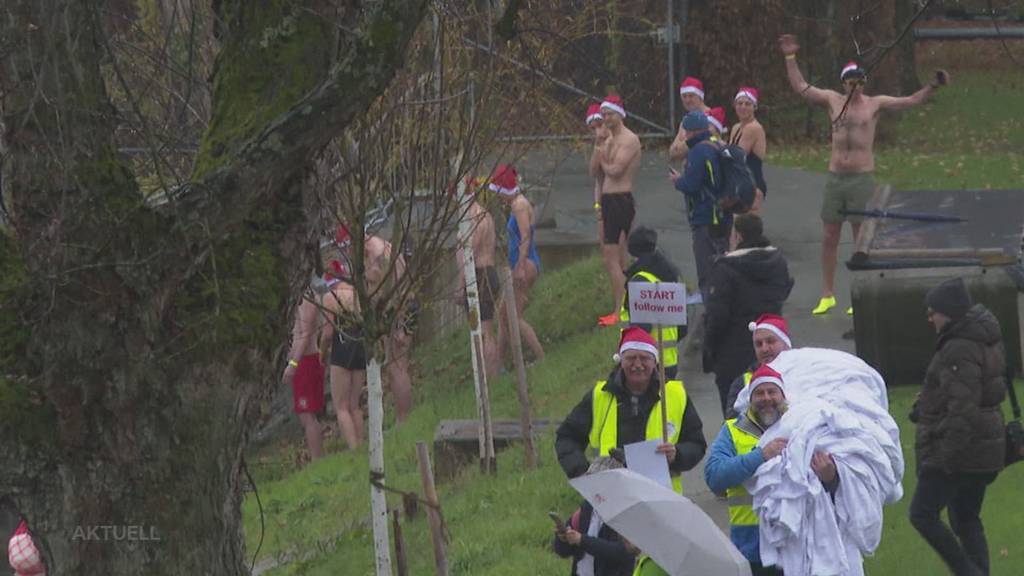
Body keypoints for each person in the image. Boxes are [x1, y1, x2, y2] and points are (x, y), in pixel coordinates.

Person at [779, 34, 950, 316]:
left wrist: (932, 85)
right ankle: (827, 293)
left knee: (861, 238)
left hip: (860, 177)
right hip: (836, 178)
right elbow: (801, 87)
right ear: (843, 82)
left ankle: (857, 292)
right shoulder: (832, 100)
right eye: (849, 81)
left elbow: (911, 101)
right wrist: (790, 57)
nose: (854, 85)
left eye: (859, 81)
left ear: (864, 82)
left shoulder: (875, 104)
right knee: (829, 234)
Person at [910, 278, 1006, 576]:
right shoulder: (982, 337)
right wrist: (923, 405)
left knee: (922, 514)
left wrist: (946, 458)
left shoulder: (958, 348)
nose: (929, 318)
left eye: (933, 312)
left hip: (962, 449)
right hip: (986, 447)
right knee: (965, 517)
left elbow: (963, 409)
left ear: (948, 313)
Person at [705, 365, 840, 576]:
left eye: (772, 391)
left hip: (798, 546)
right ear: (750, 399)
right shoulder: (732, 430)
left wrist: (830, 478)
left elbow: (831, 485)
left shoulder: (804, 427)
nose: (766, 398)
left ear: (782, 396)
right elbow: (714, 477)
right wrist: (760, 456)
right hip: (750, 550)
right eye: (759, 392)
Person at [555, 327, 706, 493]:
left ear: (655, 361)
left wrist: (677, 454)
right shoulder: (600, 395)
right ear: (621, 361)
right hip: (610, 496)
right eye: (631, 358)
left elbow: (696, 443)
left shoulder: (676, 395)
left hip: (661, 497)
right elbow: (567, 437)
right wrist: (580, 471)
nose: (638, 365)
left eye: (644, 358)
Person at [704, 213, 793, 416]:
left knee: (734, 415)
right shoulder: (777, 262)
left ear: (738, 236)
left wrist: (709, 351)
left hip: (732, 354)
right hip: (772, 348)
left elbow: (717, 316)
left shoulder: (725, 269)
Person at [336, 224, 414, 421]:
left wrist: (401, 326)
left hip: (399, 311)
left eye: (348, 248)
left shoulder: (379, 255)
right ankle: (402, 417)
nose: (348, 253)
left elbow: (399, 289)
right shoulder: (370, 252)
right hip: (392, 311)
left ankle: (404, 419)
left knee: (397, 367)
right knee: (394, 366)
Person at [670, 110, 730, 302]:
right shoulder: (717, 145)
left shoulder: (698, 152)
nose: (684, 136)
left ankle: (707, 296)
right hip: (723, 212)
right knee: (721, 255)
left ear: (694, 132)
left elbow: (692, 185)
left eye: (686, 131)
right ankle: (722, 293)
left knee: (705, 257)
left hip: (705, 215)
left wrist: (678, 181)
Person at [594, 95, 642, 327]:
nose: (606, 118)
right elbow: (593, 171)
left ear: (620, 114)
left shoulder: (629, 139)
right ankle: (622, 306)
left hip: (620, 199)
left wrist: (604, 155)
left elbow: (615, 170)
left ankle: (621, 308)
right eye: (603, 115)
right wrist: (599, 145)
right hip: (608, 199)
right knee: (614, 258)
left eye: (609, 114)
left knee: (612, 257)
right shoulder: (608, 138)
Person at [491, 164, 545, 364]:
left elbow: (525, 236)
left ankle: (539, 356)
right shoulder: (515, 205)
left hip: (526, 264)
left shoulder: (519, 205)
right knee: (505, 315)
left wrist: (520, 267)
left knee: (514, 317)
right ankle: (499, 364)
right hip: (520, 263)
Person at [281, 273, 334, 460]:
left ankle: (317, 460)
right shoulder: (297, 298)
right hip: (302, 361)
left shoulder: (307, 299)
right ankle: (316, 458)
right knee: (305, 415)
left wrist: (293, 364)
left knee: (307, 415)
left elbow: (305, 334)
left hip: (306, 361)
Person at [552, 457, 635, 576]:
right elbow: (562, 552)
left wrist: (581, 540)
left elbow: (621, 553)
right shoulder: (584, 510)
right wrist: (562, 538)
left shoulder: (625, 515)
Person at [618, 226, 682, 379]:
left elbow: (641, 328)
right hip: (670, 361)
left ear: (634, 254)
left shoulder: (640, 281)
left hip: (646, 364)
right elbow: (683, 327)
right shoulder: (669, 277)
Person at [455, 177, 500, 380]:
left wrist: (460, 284)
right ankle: (490, 374)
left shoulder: (473, 216)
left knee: (482, 330)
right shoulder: (485, 213)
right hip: (486, 273)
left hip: (479, 276)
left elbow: (469, 252)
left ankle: (488, 376)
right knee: (484, 328)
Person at [320, 260, 366, 450]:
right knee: (355, 405)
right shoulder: (359, 294)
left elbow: (328, 334)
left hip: (342, 348)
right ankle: (362, 445)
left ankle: (354, 449)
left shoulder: (331, 297)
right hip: (361, 347)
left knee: (341, 406)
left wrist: (322, 353)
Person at [724, 313, 793, 420]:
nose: (764, 349)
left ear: (786, 344)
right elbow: (731, 425)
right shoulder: (742, 383)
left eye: (770, 341)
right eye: (759, 344)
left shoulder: (808, 373)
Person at [729, 87, 768, 212]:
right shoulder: (736, 127)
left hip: (752, 184)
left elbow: (736, 156)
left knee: (745, 228)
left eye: (747, 104)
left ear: (754, 107)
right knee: (734, 228)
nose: (743, 107)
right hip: (739, 183)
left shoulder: (753, 128)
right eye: (739, 104)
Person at [669, 76, 711, 163]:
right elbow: (673, 153)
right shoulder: (686, 119)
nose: (687, 100)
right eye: (684, 96)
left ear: (700, 97)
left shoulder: (712, 118)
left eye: (691, 96)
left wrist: (682, 144)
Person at [586, 103, 607, 246]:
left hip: (619, 197)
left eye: (600, 125)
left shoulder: (619, 141)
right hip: (601, 197)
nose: (597, 131)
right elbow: (593, 172)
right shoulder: (597, 146)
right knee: (604, 242)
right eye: (593, 128)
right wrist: (597, 205)